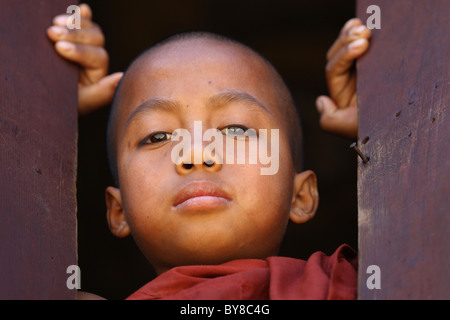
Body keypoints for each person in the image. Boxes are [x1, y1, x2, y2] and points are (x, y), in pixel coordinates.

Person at [48, 4, 371, 300]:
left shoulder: (358, 283)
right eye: (157, 135)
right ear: (119, 211)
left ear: (300, 195)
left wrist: (380, 122)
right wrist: (43, 107)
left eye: (236, 129)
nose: (196, 153)